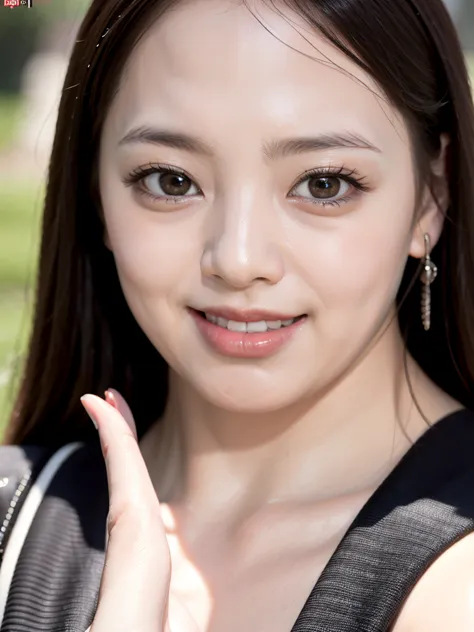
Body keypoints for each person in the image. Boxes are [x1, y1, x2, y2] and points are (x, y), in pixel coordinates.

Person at [1, 0, 474, 629]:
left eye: (324, 184)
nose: (238, 258)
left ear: (431, 195)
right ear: (96, 191)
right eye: (170, 181)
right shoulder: (14, 518)